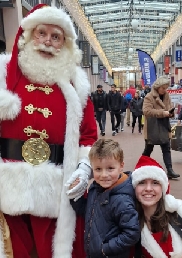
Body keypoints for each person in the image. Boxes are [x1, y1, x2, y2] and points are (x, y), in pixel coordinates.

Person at [0, 4, 97, 257]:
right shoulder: (4, 73)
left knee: (50, 250)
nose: (47, 42)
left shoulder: (77, 83)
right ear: (29, 34)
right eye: (41, 33)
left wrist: (85, 168)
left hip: (56, 185)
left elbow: (88, 134)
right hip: (8, 181)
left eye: (56, 37)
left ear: (65, 44)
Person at [69, 139, 140, 258]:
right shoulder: (96, 188)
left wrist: (104, 249)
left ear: (121, 166)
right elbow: (86, 210)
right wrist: (75, 196)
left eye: (110, 168)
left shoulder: (122, 200)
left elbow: (131, 234)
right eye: (98, 169)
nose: (104, 175)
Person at [142, 76, 180, 179]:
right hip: (152, 126)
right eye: (163, 88)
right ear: (158, 87)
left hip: (164, 125)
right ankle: (141, 166)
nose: (165, 90)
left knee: (166, 148)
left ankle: (170, 170)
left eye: (166, 88)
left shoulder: (167, 95)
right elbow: (146, 111)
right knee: (148, 148)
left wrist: (171, 113)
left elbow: (169, 107)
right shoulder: (149, 96)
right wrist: (163, 113)